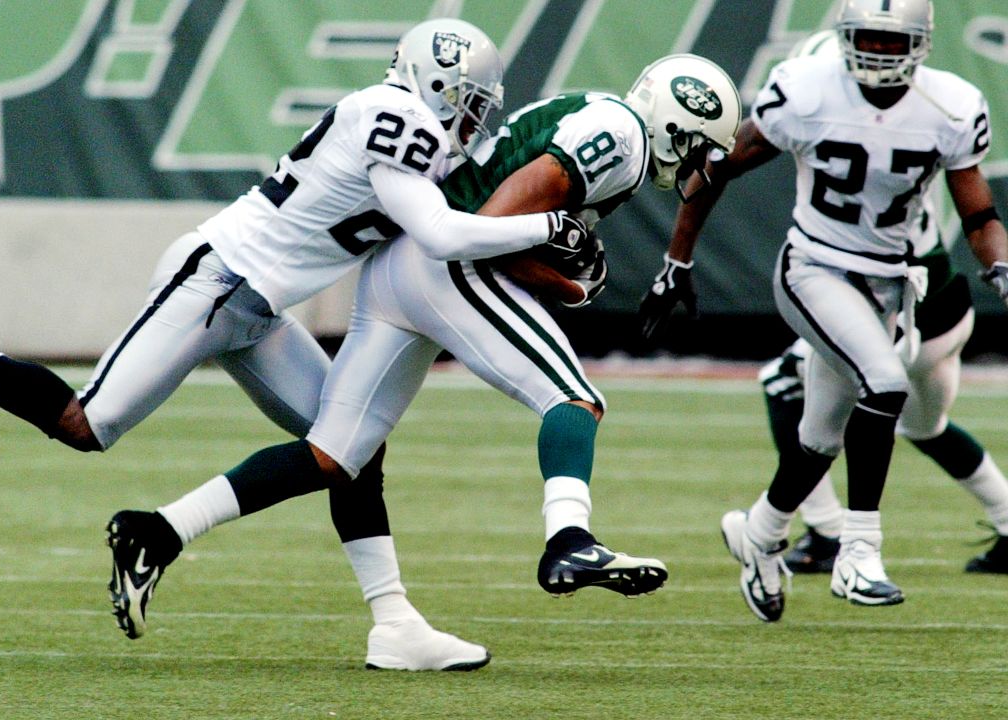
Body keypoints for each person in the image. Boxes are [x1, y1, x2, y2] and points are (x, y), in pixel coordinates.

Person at [0, 18, 590, 670]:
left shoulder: (416, 131)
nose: (471, 122)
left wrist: (552, 266)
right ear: (433, 84)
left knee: (351, 445)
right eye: (467, 104)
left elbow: (448, 226)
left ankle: (394, 623)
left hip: (255, 305)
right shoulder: (393, 117)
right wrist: (546, 228)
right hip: (216, 281)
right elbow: (437, 231)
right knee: (87, 424)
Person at [105, 54, 742, 668]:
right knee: (573, 398)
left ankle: (165, 534)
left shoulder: (600, 114)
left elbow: (513, 220)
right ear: (678, 126)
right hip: (446, 264)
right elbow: (495, 222)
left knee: (337, 454)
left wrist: (566, 275)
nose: (698, 164)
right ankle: (569, 541)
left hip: (399, 269)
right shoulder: (622, 138)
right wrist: (564, 271)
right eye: (699, 145)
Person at [639, 0, 1008, 622]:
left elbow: (978, 214)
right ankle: (858, 550)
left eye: (894, 43)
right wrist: (677, 260)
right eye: (868, 39)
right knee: (884, 383)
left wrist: (1000, 267)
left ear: (921, 43)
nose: (880, 54)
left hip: (896, 283)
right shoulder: (805, 92)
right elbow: (717, 171)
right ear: (843, 38)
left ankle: (758, 534)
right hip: (815, 268)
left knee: (817, 437)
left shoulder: (951, 106)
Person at [753, 31, 1008, 577]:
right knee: (923, 426)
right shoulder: (924, 124)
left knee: (788, 382)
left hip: (900, 309)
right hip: (946, 305)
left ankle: (824, 532)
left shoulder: (848, 116)